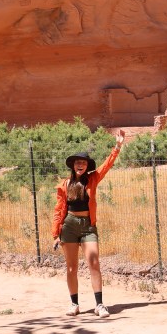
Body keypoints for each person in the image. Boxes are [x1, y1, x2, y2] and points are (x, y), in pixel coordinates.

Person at [52, 130, 125, 318]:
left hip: (88, 226)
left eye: (83, 163)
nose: (80, 165)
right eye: (78, 162)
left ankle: (99, 305)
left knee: (94, 262)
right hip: (69, 226)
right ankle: (74, 304)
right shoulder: (65, 184)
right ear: (73, 165)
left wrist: (117, 146)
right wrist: (55, 234)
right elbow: (58, 210)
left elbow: (107, 165)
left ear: (87, 166)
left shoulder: (93, 178)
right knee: (71, 267)